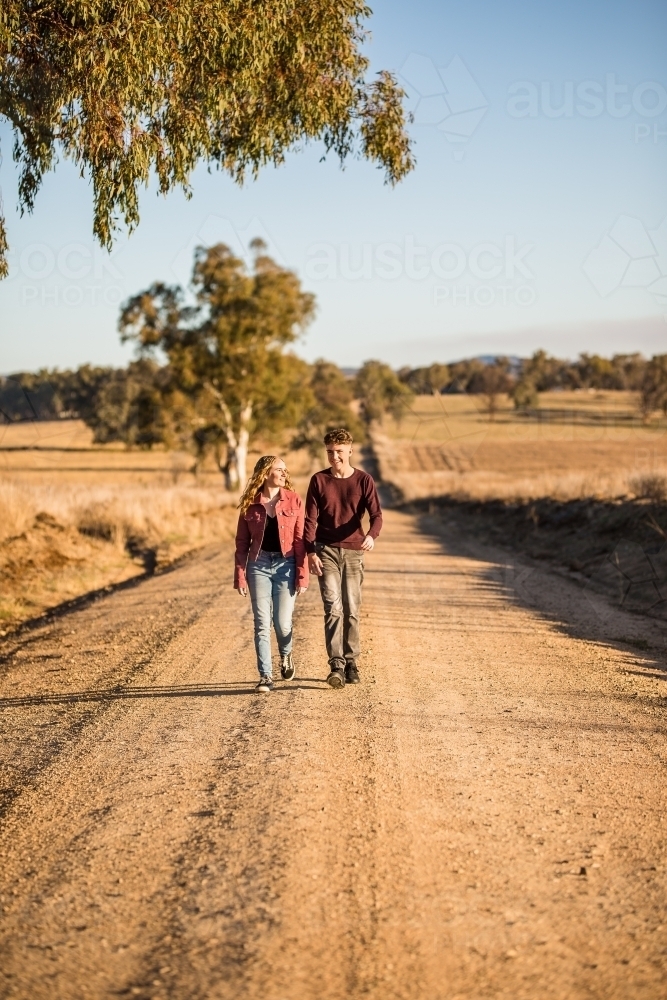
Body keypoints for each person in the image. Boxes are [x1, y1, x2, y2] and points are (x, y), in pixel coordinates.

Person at [305, 427, 382, 688]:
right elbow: (310, 520)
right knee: (333, 608)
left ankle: (352, 662)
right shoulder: (318, 481)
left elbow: (377, 516)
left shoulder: (363, 480)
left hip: (353, 552)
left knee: (351, 609)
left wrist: (371, 535)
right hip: (325, 550)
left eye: (339, 451)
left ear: (350, 450)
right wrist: (310, 552)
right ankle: (336, 665)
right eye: (329, 452)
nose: (334, 456)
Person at [234, 456, 308, 693]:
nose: (284, 473)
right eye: (279, 469)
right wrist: (240, 574)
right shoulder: (250, 504)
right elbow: (242, 543)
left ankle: (286, 655)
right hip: (259, 563)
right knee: (261, 624)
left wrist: (301, 574)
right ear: (266, 473)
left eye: (285, 469)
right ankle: (265, 676)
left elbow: (300, 540)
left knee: (282, 623)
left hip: (286, 563)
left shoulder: (294, 500)